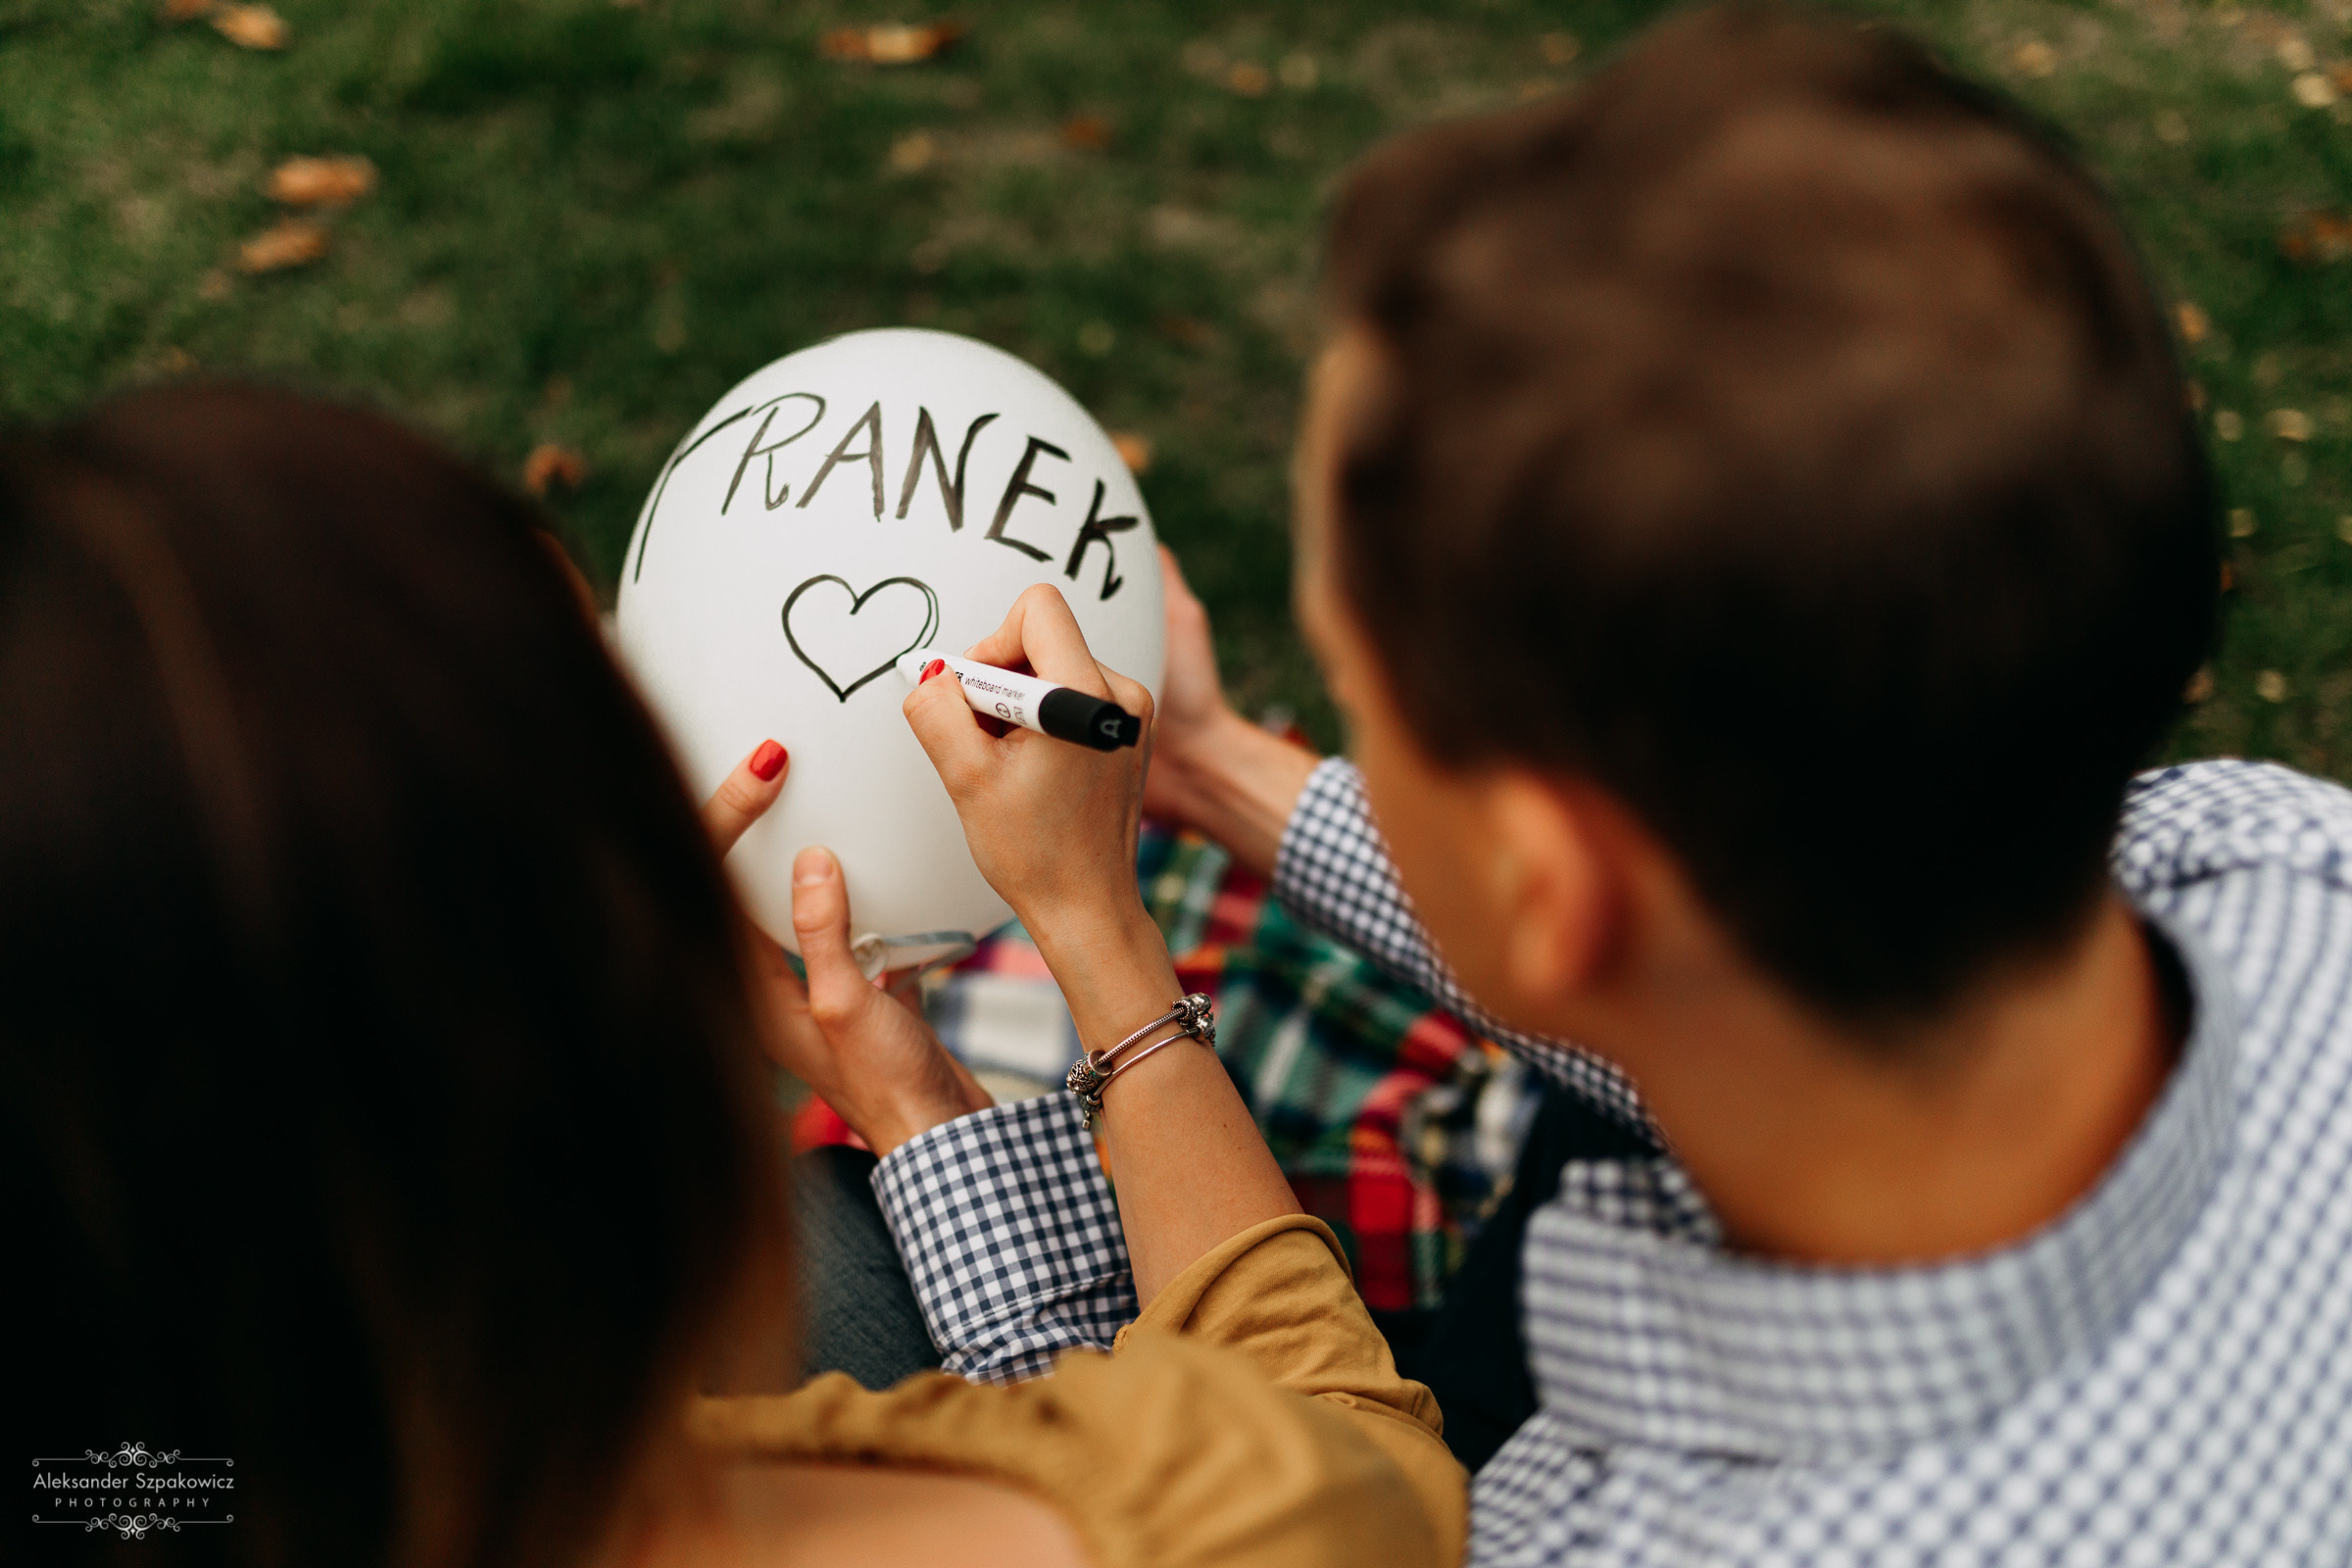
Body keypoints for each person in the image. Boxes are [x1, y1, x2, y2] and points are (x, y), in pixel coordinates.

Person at [854, 6, 2352, 1562]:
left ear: (1552, 886)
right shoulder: (2284, 867)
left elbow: (1232, 1522)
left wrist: (941, 1095)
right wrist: (1226, 771)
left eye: (1363, 696)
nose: (1346, 728)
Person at [6, 381, 1465, 1568]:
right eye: (617, 730)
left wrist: (917, 1117)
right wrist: (1106, 944)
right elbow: (1358, 1465)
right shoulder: (1211, 1519)